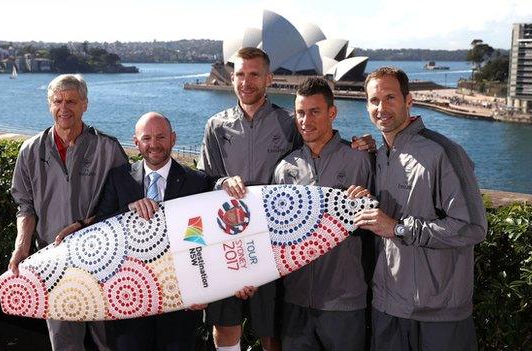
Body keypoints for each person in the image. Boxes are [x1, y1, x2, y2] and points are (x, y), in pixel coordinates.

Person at [354, 67, 487, 351]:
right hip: (387, 308)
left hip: (438, 315)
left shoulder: (443, 152)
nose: (381, 108)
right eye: (374, 100)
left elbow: (473, 227)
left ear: (408, 100)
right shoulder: (376, 157)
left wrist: (398, 228)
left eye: (390, 98)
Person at [8, 74, 128, 351]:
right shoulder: (29, 151)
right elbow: (24, 205)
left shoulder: (107, 148)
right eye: (57, 101)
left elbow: (125, 205)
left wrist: (88, 223)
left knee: (111, 341)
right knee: (64, 344)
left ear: (85, 104)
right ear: (49, 104)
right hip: (52, 263)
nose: (64, 108)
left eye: (71, 101)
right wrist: (21, 247)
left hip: (103, 262)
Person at [198, 47, 301, 351]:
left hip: (272, 243)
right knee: (225, 325)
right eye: (241, 74)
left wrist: (360, 146)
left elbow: (312, 162)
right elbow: (204, 181)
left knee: (271, 332)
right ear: (232, 78)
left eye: (254, 74)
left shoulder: (289, 123)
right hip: (226, 241)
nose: (246, 81)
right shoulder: (216, 126)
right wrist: (222, 182)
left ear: (268, 78)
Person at [94, 112, 211, 350]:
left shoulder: (197, 182)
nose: (154, 144)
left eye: (161, 136)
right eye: (146, 138)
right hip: (130, 300)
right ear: (135, 142)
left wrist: (202, 288)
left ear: (173, 139)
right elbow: (100, 226)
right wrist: (128, 211)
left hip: (179, 301)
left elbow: (202, 239)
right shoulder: (119, 177)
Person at [273, 77, 373, 350]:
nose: (306, 120)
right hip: (295, 298)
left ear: (332, 112)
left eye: (315, 112)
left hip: (345, 300)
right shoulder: (285, 168)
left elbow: (379, 221)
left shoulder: (360, 160)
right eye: (300, 113)